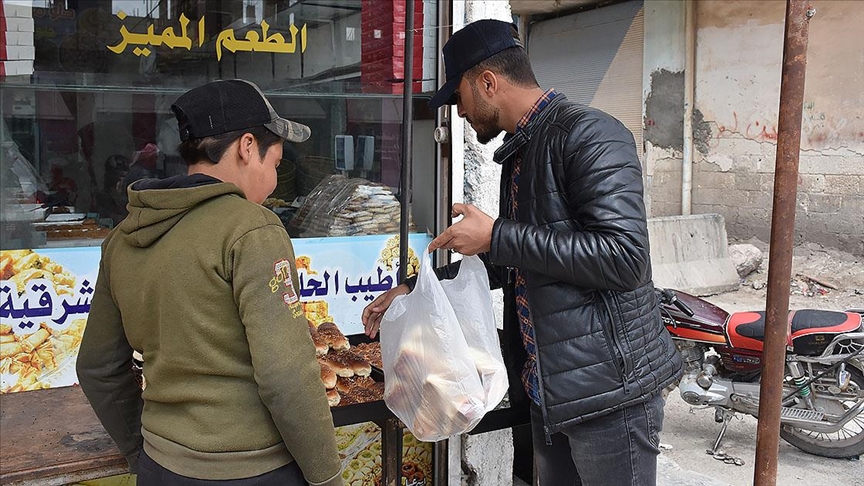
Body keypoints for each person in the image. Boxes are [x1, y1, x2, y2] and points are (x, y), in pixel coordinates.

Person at [362, 19, 683, 486]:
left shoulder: (590, 135)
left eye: (460, 98)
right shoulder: (524, 150)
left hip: (610, 394)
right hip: (549, 389)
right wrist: (414, 289)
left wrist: (498, 235)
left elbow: (625, 257)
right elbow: (524, 255)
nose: (461, 114)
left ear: (488, 82)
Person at [77, 79, 344, 486]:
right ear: (247, 147)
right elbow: (287, 376)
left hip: (160, 467)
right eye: (274, 165)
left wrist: (140, 451)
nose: (273, 183)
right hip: (252, 471)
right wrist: (326, 478)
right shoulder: (252, 229)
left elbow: (98, 367)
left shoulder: (123, 237)